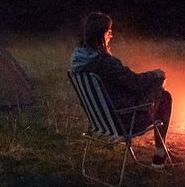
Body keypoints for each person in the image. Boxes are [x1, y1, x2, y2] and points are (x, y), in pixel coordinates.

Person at [69, 11, 176, 166]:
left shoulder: (79, 61)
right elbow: (136, 84)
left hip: (101, 121)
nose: (111, 35)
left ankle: (162, 151)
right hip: (125, 121)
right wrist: (155, 75)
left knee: (157, 87)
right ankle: (160, 154)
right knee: (164, 96)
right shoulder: (105, 63)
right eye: (109, 32)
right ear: (102, 34)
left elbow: (128, 83)